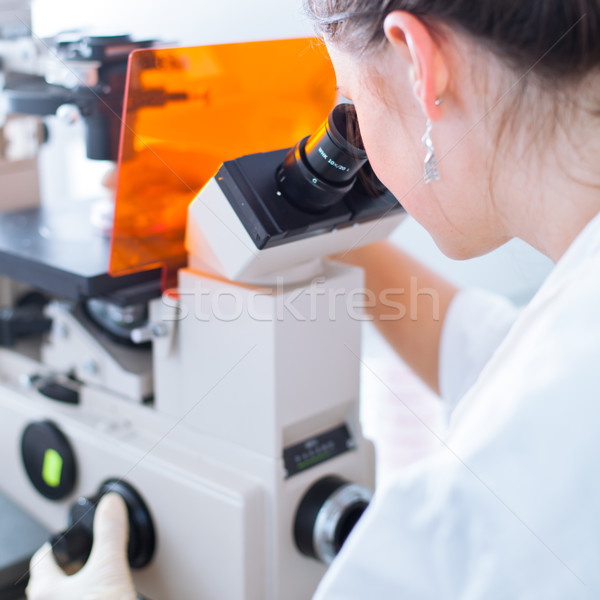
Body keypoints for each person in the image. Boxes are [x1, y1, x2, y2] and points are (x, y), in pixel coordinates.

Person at [26, 0, 600, 597]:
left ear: (417, 64)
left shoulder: (484, 506)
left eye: (349, 104)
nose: (360, 149)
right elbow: (487, 353)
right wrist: (283, 214)